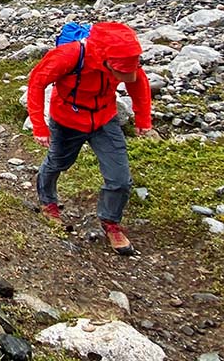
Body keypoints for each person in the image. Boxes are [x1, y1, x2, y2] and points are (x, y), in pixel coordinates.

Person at [25, 21, 153, 255]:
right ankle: (48, 202)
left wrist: (143, 118)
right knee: (57, 162)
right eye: (120, 72)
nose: (125, 76)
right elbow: (37, 82)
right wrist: (39, 126)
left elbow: (138, 84)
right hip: (66, 120)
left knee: (120, 178)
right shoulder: (69, 55)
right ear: (104, 60)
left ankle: (111, 222)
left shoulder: (125, 59)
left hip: (105, 119)